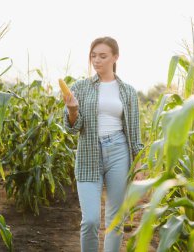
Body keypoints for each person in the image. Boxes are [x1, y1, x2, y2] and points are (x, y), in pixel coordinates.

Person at [62, 36, 144, 252]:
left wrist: (139, 165)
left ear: (115, 57)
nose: (96, 60)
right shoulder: (80, 87)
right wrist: (72, 111)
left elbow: (134, 134)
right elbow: (71, 128)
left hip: (119, 152)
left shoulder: (128, 92)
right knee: (89, 221)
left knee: (115, 221)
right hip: (89, 152)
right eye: (93, 56)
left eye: (102, 56)